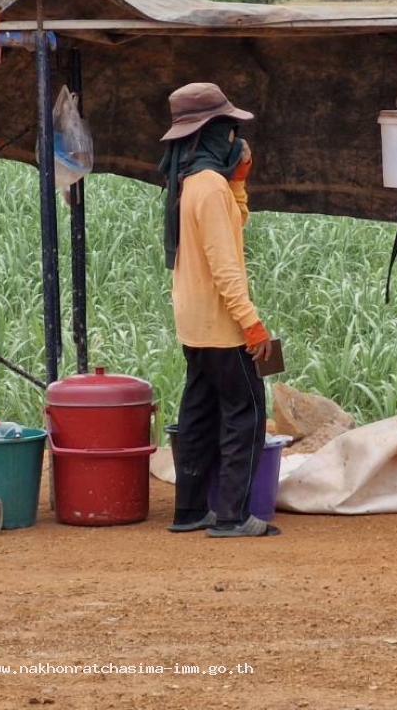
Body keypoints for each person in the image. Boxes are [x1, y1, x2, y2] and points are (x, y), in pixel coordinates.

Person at [158, 81, 278, 539]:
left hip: (193, 323)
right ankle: (232, 516)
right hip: (221, 325)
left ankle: (190, 511)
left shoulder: (191, 181)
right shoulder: (208, 187)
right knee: (244, 415)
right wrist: (252, 323)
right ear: (211, 134)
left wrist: (240, 184)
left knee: (199, 416)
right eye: (229, 131)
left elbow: (232, 223)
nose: (235, 140)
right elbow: (225, 265)